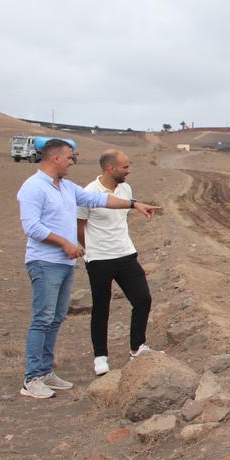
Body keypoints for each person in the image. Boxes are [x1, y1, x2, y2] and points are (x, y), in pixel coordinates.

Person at [16, 139, 157, 399]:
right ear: (55, 158)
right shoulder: (33, 187)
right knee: (42, 319)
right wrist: (66, 243)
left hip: (64, 262)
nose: (72, 161)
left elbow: (99, 199)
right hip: (45, 261)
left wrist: (133, 204)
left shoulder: (67, 187)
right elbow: (31, 227)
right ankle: (32, 378)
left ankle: (46, 372)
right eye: (69, 157)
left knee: (55, 319)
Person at [76, 149, 155, 377]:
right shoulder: (88, 193)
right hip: (99, 259)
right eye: (125, 167)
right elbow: (79, 226)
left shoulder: (126, 189)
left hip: (126, 254)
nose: (128, 170)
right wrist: (91, 248)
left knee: (142, 299)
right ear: (111, 169)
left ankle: (137, 347)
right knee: (101, 308)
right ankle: (100, 356)